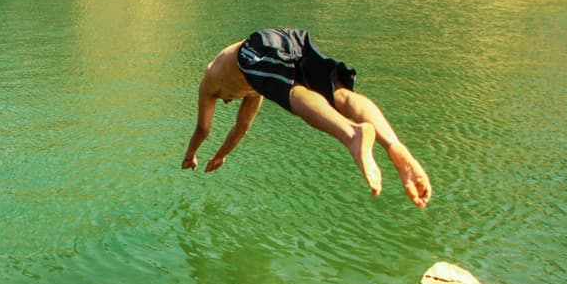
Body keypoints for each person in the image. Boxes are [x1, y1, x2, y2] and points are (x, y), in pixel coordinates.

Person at [181, 28, 432, 208]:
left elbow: (203, 129)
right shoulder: (255, 87)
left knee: (293, 94)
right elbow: (241, 127)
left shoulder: (209, 85)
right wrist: (220, 155)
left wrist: (191, 155)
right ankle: (394, 145)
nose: (228, 102)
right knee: (338, 94)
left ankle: (352, 135)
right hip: (289, 38)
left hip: (255, 48)